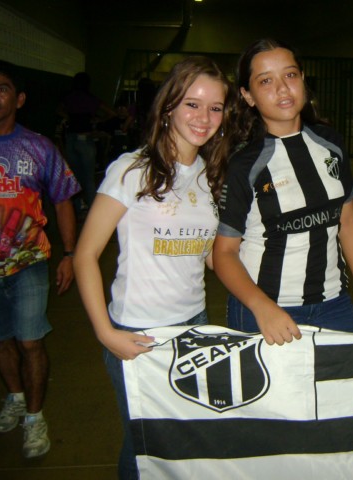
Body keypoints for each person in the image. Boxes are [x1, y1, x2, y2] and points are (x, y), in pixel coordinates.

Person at [73, 56, 231, 479]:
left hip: (194, 325)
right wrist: (108, 334)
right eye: (192, 104)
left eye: (215, 107)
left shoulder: (209, 173)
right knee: (145, 444)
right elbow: (85, 255)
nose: (204, 117)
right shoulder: (132, 169)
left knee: (183, 438)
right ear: (168, 107)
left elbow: (209, 257)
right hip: (137, 331)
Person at [213, 39, 353, 346]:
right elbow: (224, 253)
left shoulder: (331, 143)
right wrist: (262, 307)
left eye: (290, 75)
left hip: (335, 304)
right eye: (266, 81)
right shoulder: (244, 164)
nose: (283, 89)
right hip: (266, 309)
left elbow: (349, 221)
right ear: (247, 96)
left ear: (303, 79)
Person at [0, 60, 80, 457]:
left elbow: (63, 199)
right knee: (1, 340)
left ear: (20, 98)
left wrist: (70, 254)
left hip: (28, 261)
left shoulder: (38, 147)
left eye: (2, 88)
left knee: (30, 341)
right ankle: (14, 396)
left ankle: (34, 417)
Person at [59, 72, 116, 216]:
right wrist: (96, 120)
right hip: (85, 139)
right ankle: (92, 211)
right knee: (89, 178)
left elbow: (59, 110)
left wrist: (69, 118)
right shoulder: (90, 99)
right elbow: (111, 113)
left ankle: (78, 209)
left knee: (74, 178)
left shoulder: (69, 98)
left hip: (71, 139)